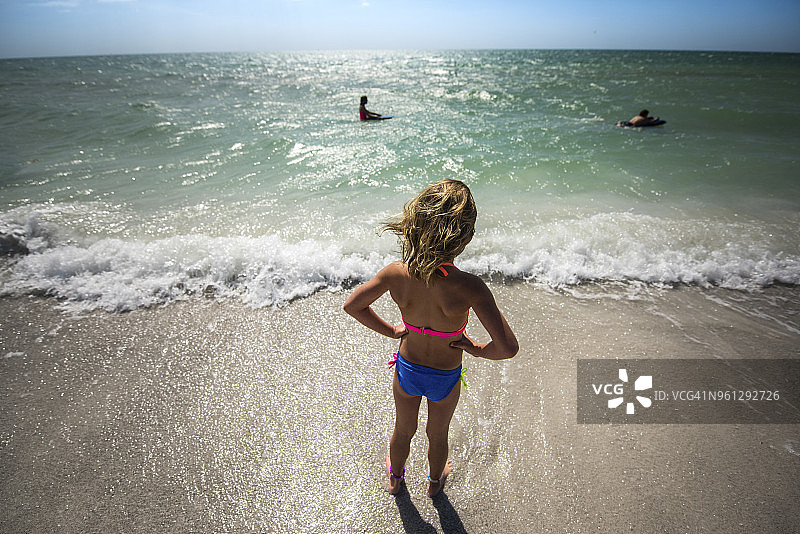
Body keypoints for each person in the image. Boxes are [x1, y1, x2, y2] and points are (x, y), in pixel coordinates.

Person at [343, 179, 519, 497]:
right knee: (437, 434)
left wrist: (393, 330)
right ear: (466, 237)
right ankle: (435, 484)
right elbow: (507, 348)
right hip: (445, 376)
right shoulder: (469, 286)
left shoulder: (396, 273)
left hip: (408, 368)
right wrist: (476, 348)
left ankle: (396, 479)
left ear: (415, 226)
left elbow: (353, 305)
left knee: (403, 430)